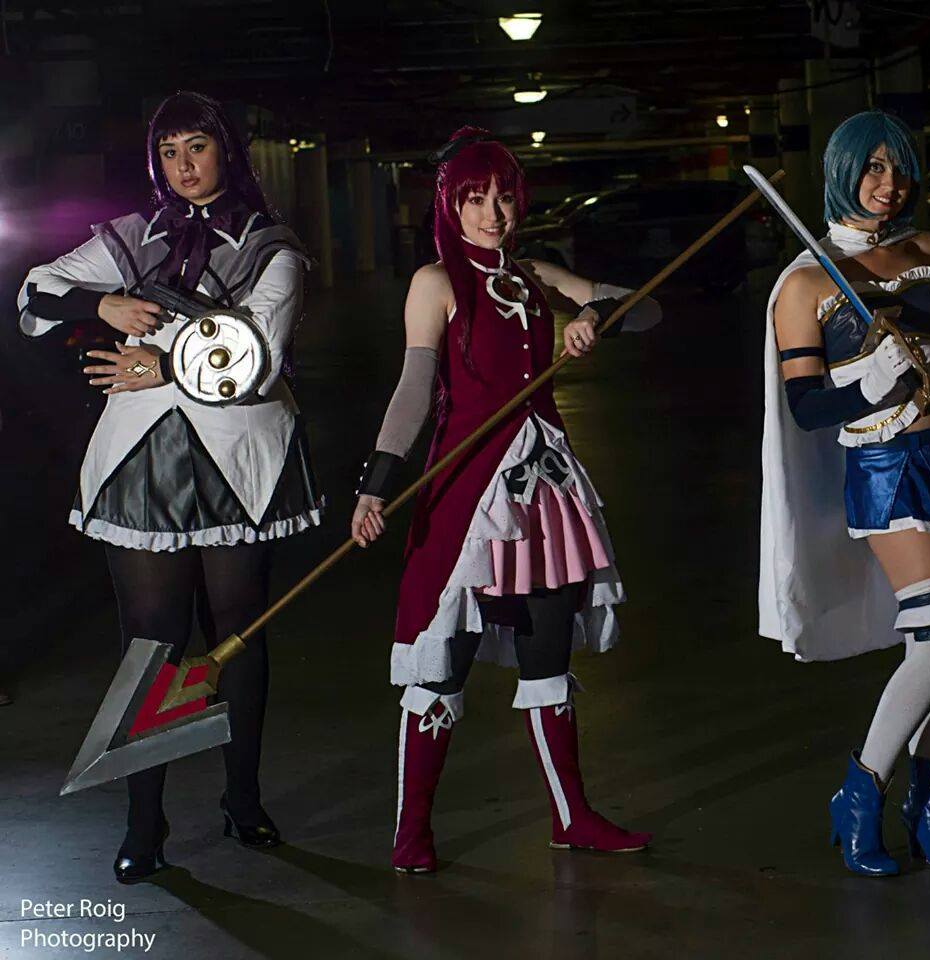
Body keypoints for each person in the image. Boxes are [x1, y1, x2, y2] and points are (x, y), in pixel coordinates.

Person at [17, 91, 320, 882]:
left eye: (198, 147)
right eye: (169, 151)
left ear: (228, 151)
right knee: (150, 646)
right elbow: (34, 294)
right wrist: (102, 303)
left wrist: (161, 362)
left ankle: (242, 799)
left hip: (238, 462)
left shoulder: (272, 246)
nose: (184, 166)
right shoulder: (130, 238)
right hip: (141, 460)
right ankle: (144, 819)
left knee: (239, 636)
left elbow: (257, 349)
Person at [350, 127, 660, 874]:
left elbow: (647, 309)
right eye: (475, 199)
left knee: (547, 651)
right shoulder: (435, 281)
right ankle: (412, 832)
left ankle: (572, 817)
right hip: (467, 490)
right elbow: (414, 390)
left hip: (543, 490)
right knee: (442, 659)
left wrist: (592, 316)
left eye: (504, 198)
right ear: (448, 205)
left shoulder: (532, 275)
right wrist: (375, 485)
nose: (493, 214)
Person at [762, 110, 930, 877]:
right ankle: (860, 792)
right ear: (842, 172)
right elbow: (805, 406)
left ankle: (928, 803)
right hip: (888, 466)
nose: (889, 184)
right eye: (873, 168)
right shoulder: (806, 282)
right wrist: (864, 390)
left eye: (900, 168)